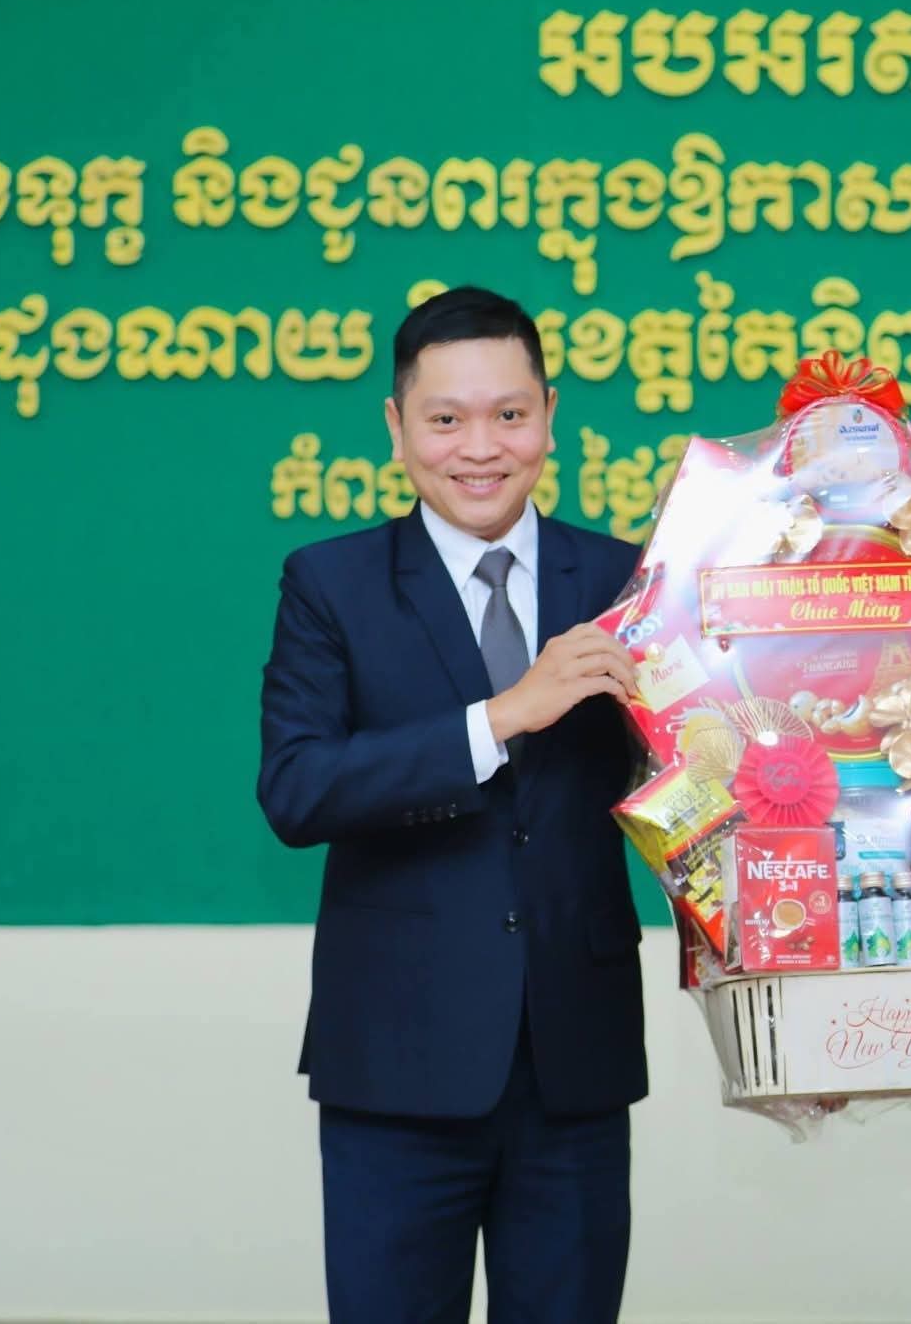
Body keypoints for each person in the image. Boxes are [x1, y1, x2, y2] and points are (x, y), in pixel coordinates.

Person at [258, 285, 646, 1322]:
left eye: (509, 414)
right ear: (396, 427)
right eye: (445, 419)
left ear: (549, 416)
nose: (480, 448)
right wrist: (502, 716)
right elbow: (297, 788)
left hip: (576, 1062)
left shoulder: (624, 580)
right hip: (396, 1064)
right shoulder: (330, 583)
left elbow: (700, 789)